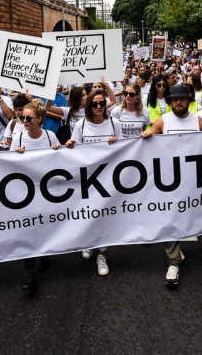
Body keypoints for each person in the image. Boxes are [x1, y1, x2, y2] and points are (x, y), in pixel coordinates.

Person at [141, 84, 202, 286]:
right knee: (170, 218)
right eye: (174, 99)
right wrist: (148, 135)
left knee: (186, 217)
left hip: (192, 182)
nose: (178, 102)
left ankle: (176, 254)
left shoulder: (198, 120)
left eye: (182, 99)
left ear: (189, 101)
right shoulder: (163, 121)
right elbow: (150, 142)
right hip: (169, 181)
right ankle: (173, 262)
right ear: (170, 101)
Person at [66, 89, 123, 276]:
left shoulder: (114, 123)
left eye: (101, 103)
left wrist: (116, 144)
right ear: (88, 105)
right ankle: (89, 243)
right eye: (94, 103)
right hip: (88, 179)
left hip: (108, 178)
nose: (99, 107)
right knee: (89, 214)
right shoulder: (81, 125)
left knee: (105, 216)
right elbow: (75, 151)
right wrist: (70, 145)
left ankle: (101, 253)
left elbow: (124, 150)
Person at [9, 101, 60, 292]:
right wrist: (15, 154)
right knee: (26, 230)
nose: (24, 121)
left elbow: (60, 163)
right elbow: (10, 164)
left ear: (40, 119)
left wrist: (58, 151)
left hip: (46, 191)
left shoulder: (50, 136)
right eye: (22, 117)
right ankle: (30, 273)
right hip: (25, 191)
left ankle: (44, 253)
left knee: (44, 225)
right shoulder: (19, 137)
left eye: (28, 118)